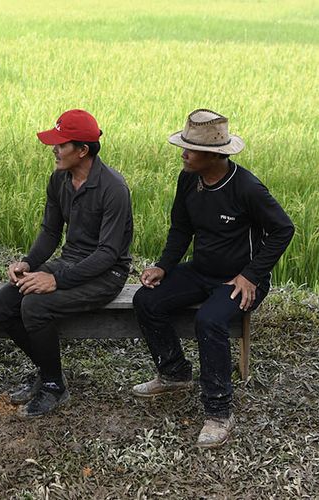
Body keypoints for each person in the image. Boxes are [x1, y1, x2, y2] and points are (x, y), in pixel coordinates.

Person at [132, 109, 294, 448]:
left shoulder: (246, 187)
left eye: (191, 148)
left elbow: (283, 229)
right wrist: (163, 265)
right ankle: (174, 373)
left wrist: (251, 275)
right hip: (202, 270)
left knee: (210, 320)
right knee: (146, 299)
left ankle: (219, 413)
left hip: (240, 279)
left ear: (214, 154)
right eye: (184, 145)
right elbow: (181, 228)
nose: (183, 153)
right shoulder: (188, 179)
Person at [0, 109, 133, 418]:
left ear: (82, 150)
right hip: (70, 263)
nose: (53, 150)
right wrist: (29, 263)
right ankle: (47, 370)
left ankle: (54, 386)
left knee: (35, 306)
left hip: (107, 274)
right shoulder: (59, 179)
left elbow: (108, 254)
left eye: (61, 144)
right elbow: (51, 231)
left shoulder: (114, 189)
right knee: (4, 301)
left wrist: (56, 280)